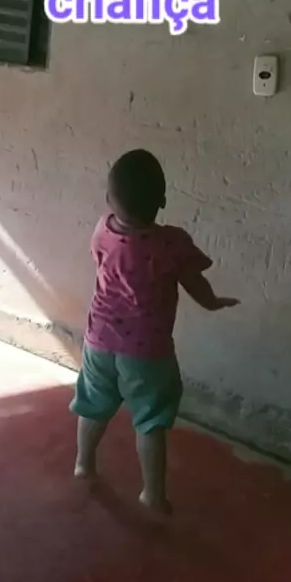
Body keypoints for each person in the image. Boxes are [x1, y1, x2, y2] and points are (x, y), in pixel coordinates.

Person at [70, 149, 240, 514]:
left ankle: (83, 462)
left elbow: (100, 261)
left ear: (109, 199)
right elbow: (194, 281)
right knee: (150, 421)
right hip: (147, 353)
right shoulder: (172, 244)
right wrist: (211, 302)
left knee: (93, 404)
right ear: (162, 200)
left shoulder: (102, 230)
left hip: (98, 341)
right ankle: (152, 493)